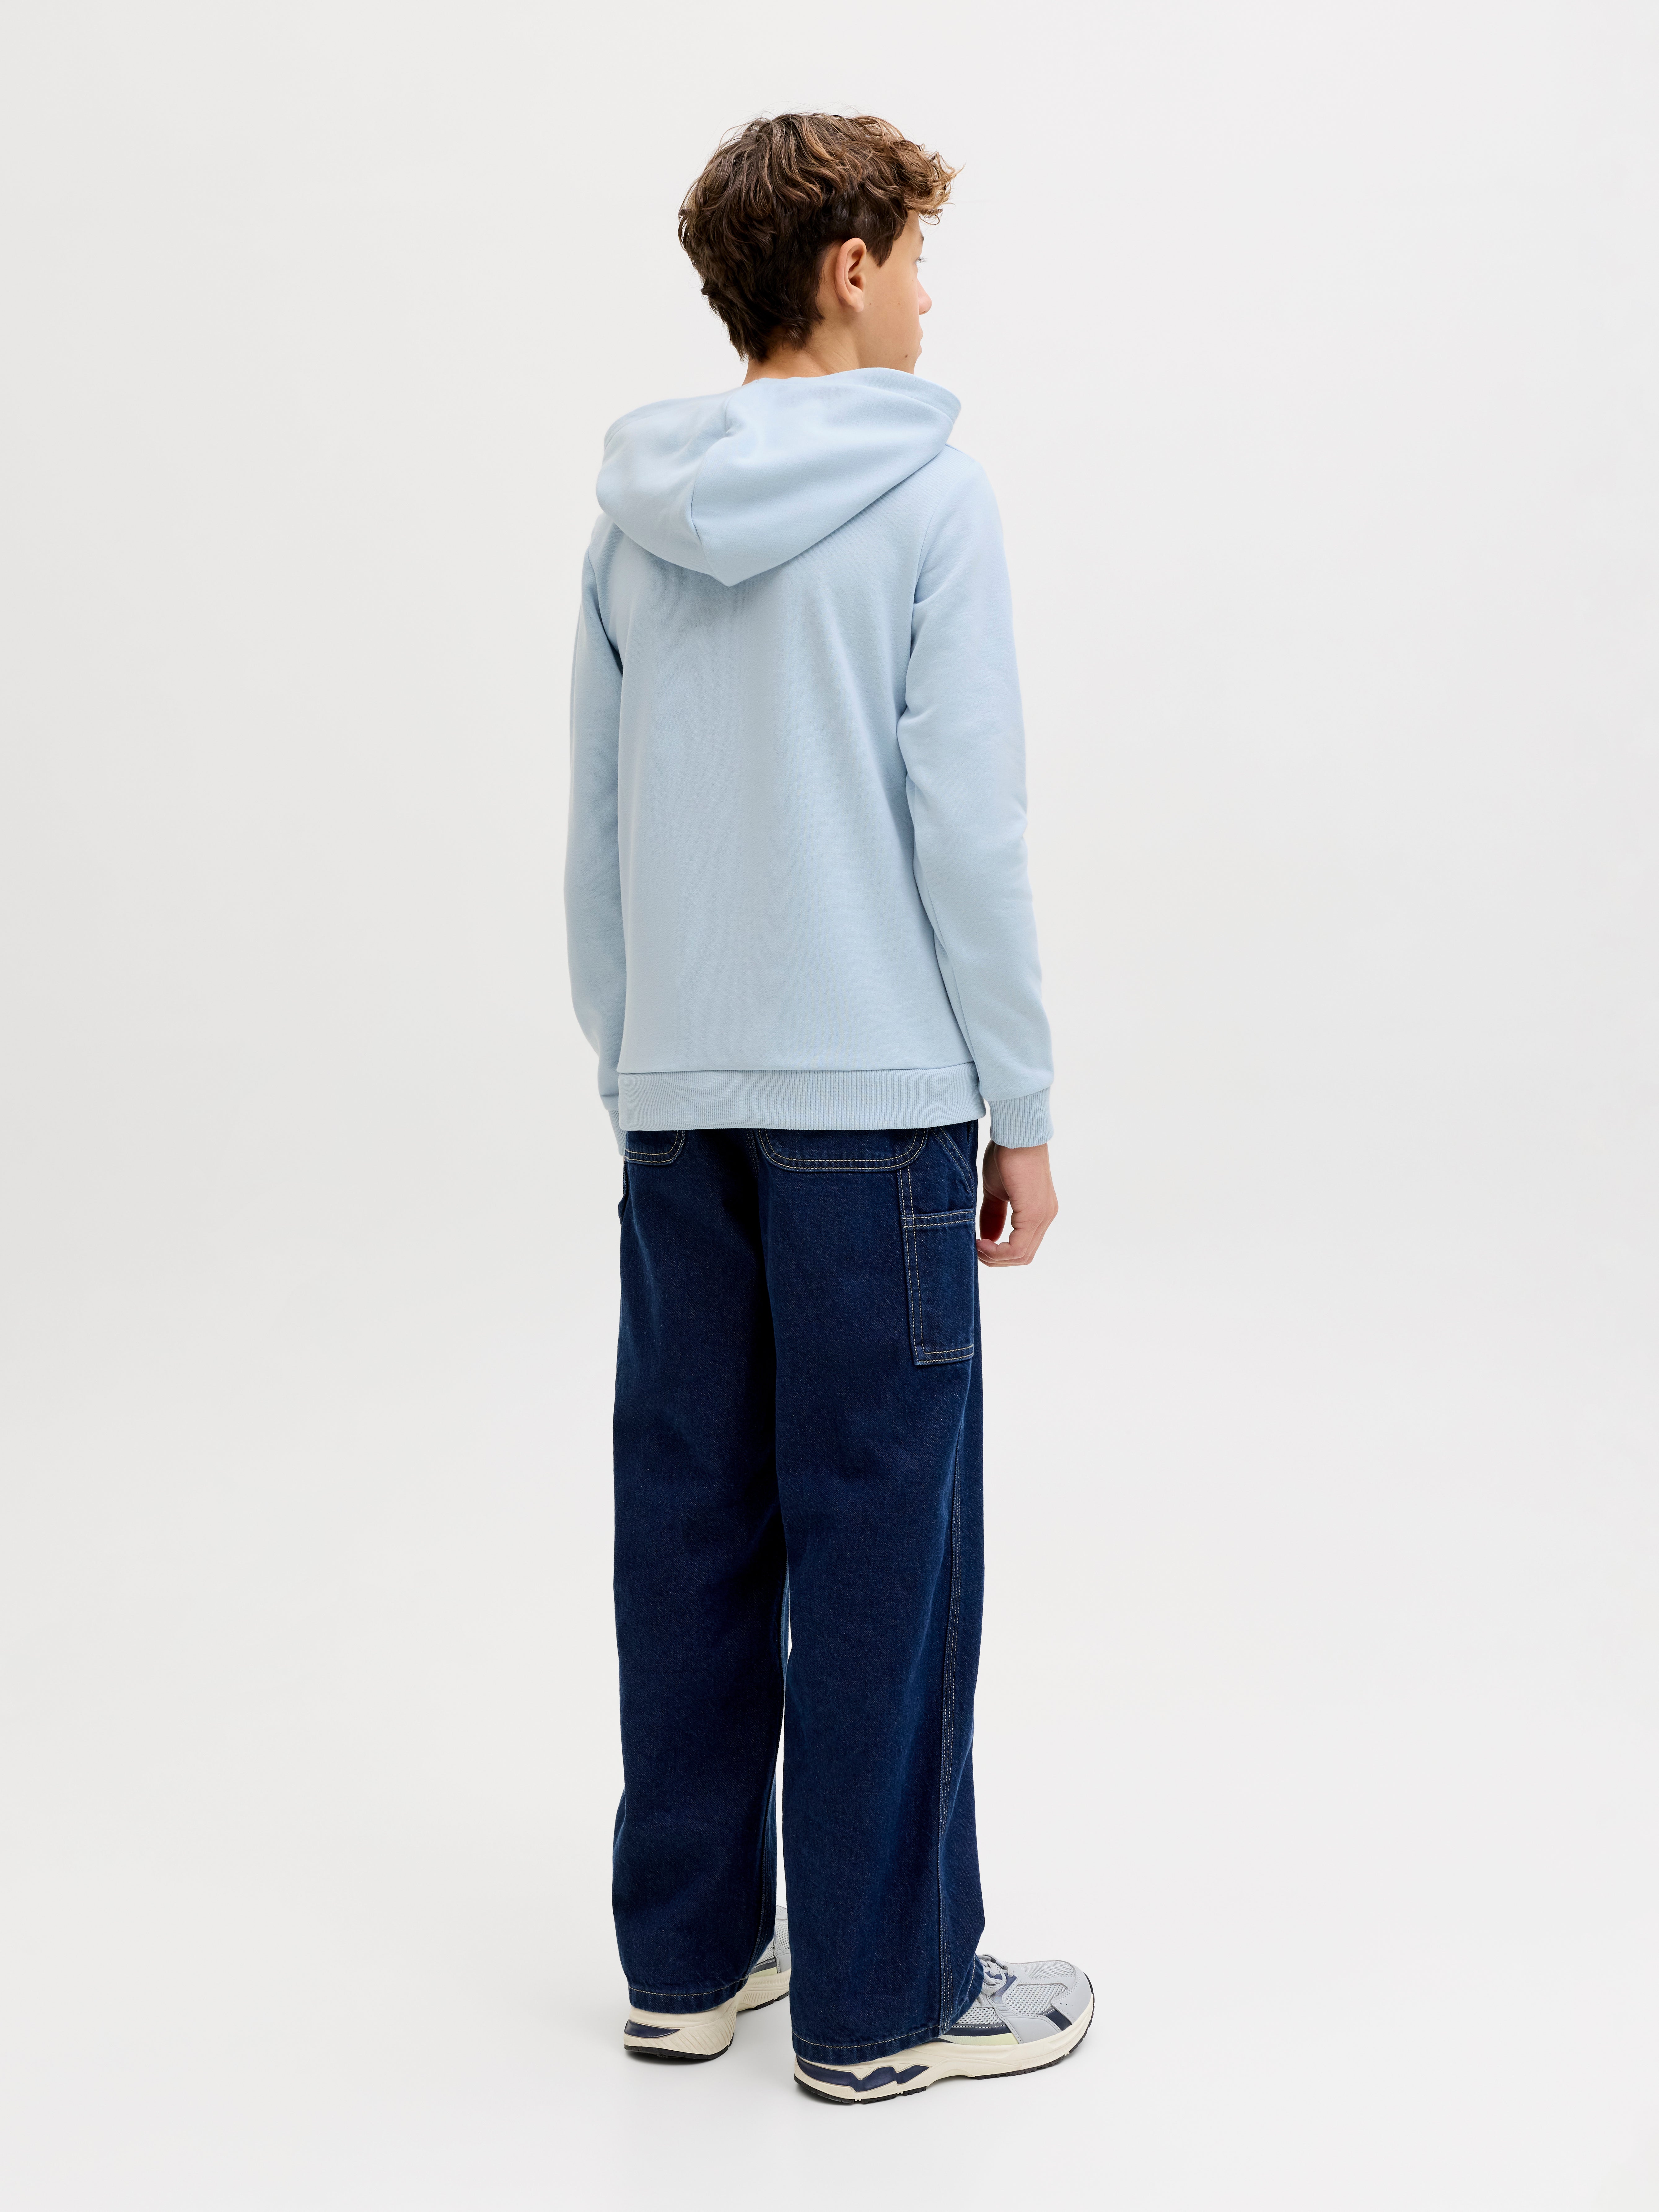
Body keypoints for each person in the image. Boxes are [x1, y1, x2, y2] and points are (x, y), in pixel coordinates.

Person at [565, 112, 1089, 2103]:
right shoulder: (931, 496)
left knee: (688, 1520)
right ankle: (888, 1999)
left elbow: (597, 839)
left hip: (680, 1099)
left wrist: (644, 1065)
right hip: (880, 1109)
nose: (933, 297)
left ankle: (689, 1962)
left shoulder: (633, 515)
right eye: (919, 257)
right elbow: (972, 830)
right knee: (887, 1540)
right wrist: (1017, 1099)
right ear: (848, 264)